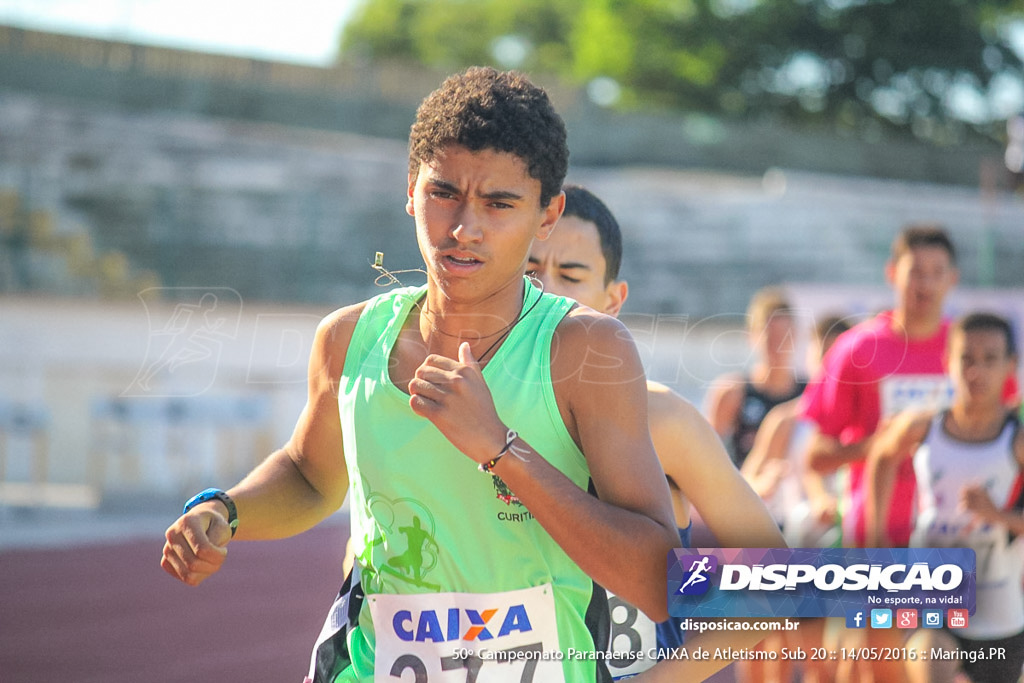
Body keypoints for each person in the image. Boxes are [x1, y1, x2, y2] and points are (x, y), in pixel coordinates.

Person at [160, 67, 681, 683]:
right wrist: (225, 510)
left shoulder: (586, 350)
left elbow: (660, 581)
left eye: (500, 203)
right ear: (411, 189)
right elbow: (309, 476)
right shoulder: (347, 338)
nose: (465, 228)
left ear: (548, 215)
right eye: (444, 193)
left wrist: (501, 449)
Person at [527, 185, 786, 680]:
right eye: (531, 272)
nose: (547, 291)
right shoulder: (470, 413)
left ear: (613, 299)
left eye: (571, 275)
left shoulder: (661, 420)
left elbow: (776, 582)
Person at [867, 312, 1024, 683]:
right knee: (927, 658)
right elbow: (880, 459)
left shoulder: (1015, 438)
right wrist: (876, 540)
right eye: (966, 358)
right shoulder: (922, 427)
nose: (976, 372)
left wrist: (998, 516)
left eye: (990, 359)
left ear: (1010, 366)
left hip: (998, 610)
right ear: (947, 363)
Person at [706, 287, 806, 469]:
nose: (778, 346)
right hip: (745, 490)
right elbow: (705, 456)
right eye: (771, 338)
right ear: (752, 336)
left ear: (795, 336)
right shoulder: (733, 392)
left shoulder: (809, 393)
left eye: (784, 337)